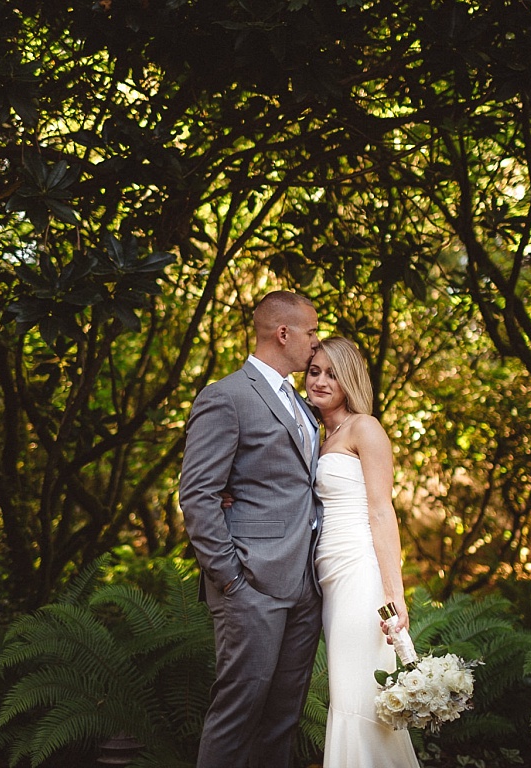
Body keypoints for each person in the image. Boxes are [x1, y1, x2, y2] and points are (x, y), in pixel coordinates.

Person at [179, 290, 324, 768]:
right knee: (238, 713)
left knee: (284, 717)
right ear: (283, 333)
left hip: (305, 584)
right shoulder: (226, 396)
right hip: (251, 584)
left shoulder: (302, 406)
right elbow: (198, 494)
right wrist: (229, 578)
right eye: (310, 331)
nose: (315, 341)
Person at [307, 336, 420, 768]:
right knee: (348, 690)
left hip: (359, 572)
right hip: (329, 575)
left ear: (349, 378)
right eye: (314, 371)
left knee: (359, 695)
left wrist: (394, 594)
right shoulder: (319, 434)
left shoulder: (365, 428)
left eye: (331, 373)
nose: (319, 380)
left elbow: (380, 511)